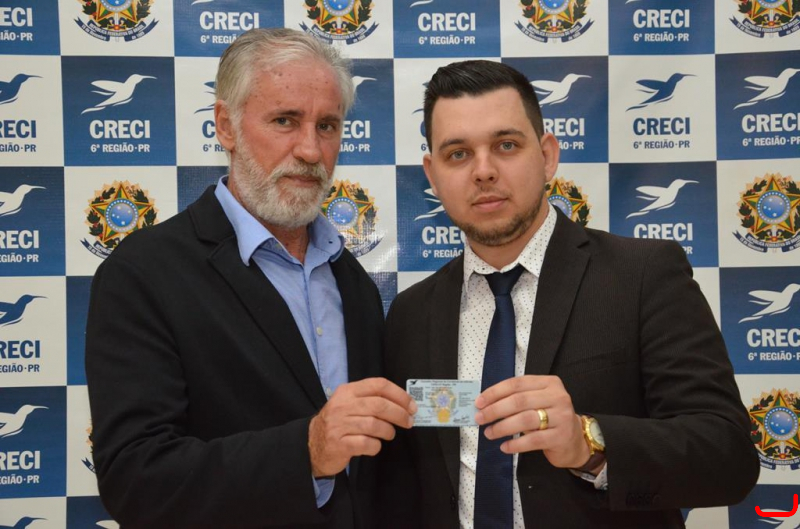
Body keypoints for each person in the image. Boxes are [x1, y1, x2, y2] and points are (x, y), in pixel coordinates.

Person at [379, 60, 759, 528]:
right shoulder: (411, 313)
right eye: (458, 154)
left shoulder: (643, 275)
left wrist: (590, 442)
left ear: (547, 156)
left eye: (506, 145)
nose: (483, 171)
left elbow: (728, 458)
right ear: (432, 175)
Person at [84, 28, 415, 529]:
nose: (311, 150)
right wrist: (306, 451)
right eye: (285, 120)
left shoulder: (352, 281)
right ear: (226, 126)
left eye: (327, 125)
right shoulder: (142, 274)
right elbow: (135, 480)